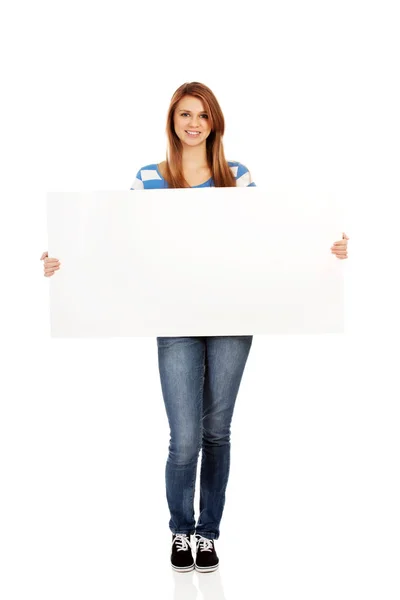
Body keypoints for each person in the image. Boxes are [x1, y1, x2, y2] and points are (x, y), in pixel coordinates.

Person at [40, 81, 350, 574]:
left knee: (217, 432)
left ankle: (208, 534)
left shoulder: (238, 177)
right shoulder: (149, 177)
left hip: (232, 317)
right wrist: (65, 263)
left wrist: (325, 249)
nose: (193, 123)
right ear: (173, 120)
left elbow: (272, 238)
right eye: (185, 114)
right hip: (174, 318)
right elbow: (114, 241)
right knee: (184, 438)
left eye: (202, 116)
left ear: (214, 123)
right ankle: (180, 531)